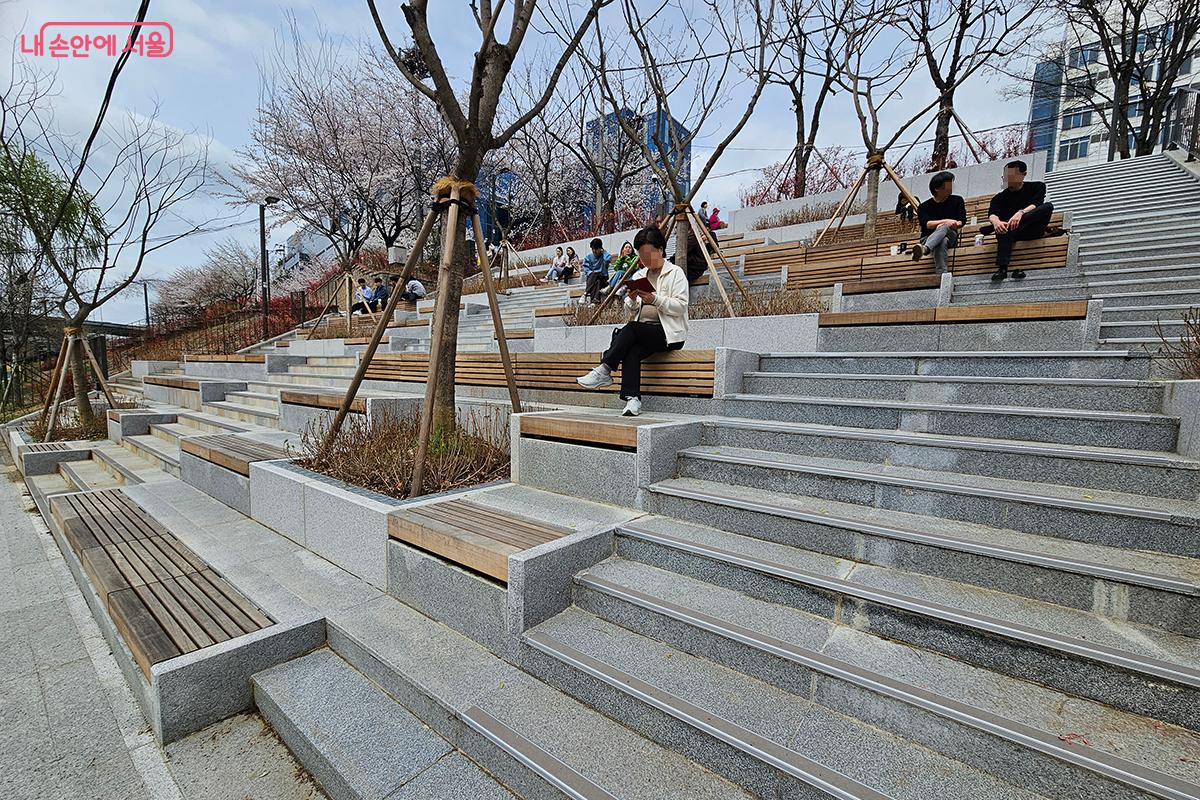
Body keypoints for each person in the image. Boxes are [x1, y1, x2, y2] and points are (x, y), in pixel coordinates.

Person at [576, 226, 688, 417]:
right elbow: (631, 309)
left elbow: (681, 306)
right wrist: (634, 299)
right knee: (632, 349)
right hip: (643, 332)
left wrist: (654, 299)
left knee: (631, 330)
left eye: (648, 254)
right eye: (641, 255)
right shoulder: (640, 275)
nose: (644, 260)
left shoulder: (675, 272)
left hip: (668, 333)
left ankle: (605, 368)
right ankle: (632, 399)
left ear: (660, 250)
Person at [984, 159, 1054, 281]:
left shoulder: (1037, 186)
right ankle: (1002, 269)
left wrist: (1020, 213)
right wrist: (996, 222)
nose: (1007, 179)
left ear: (1024, 174)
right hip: (1011, 232)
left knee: (1048, 206)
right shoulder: (999, 197)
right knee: (1003, 227)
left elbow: (1037, 203)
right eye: (1005, 176)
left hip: (1033, 229)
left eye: (1011, 175)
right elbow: (992, 213)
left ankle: (1010, 224)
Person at [910, 171, 966, 275]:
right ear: (937, 189)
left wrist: (954, 224)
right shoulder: (924, 207)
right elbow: (926, 224)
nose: (951, 187)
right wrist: (945, 222)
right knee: (942, 240)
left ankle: (925, 249)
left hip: (951, 236)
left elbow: (961, 220)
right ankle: (942, 275)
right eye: (947, 185)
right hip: (927, 237)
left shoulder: (957, 200)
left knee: (944, 230)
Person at [582, 238, 611, 304]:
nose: (594, 251)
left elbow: (607, 260)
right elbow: (586, 270)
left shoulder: (604, 256)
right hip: (593, 280)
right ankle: (594, 302)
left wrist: (604, 252)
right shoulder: (589, 257)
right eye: (592, 249)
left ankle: (586, 293)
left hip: (603, 278)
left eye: (596, 249)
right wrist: (592, 273)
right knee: (596, 280)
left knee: (596, 274)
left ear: (600, 248)